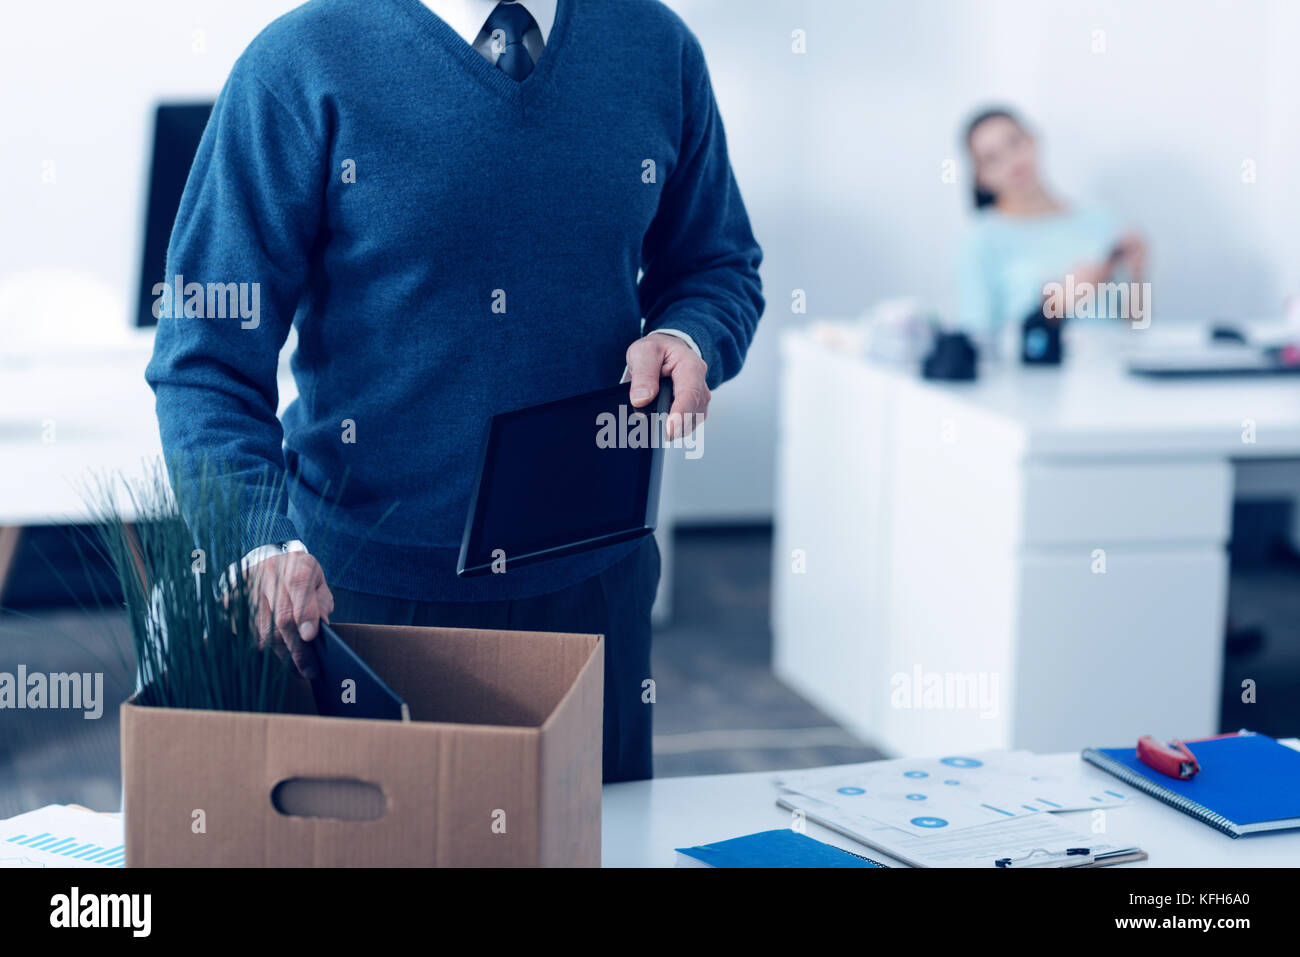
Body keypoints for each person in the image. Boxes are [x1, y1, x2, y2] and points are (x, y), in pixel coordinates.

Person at [145, 0, 764, 783]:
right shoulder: (300, 61)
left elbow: (717, 265)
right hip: (364, 602)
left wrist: (689, 334)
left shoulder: (656, 45)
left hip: (595, 591)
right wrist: (254, 540)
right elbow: (204, 357)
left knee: (601, 843)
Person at [955, 107, 1146, 349]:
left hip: (1111, 375)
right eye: (992, 159)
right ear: (980, 177)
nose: (1011, 160)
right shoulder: (981, 239)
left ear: (1034, 140)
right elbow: (976, 343)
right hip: (1036, 382)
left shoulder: (1101, 219)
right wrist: (1056, 305)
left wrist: (1138, 276)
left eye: (1015, 142)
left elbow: (1138, 327)